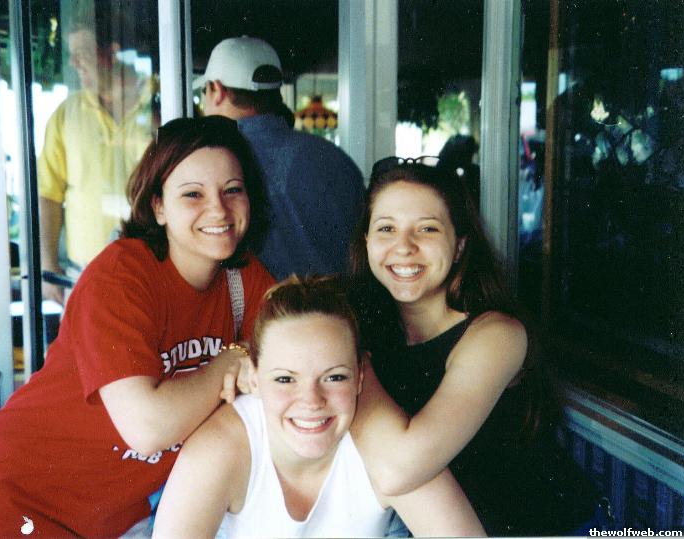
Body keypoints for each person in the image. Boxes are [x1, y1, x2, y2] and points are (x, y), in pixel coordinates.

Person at [0, 116, 274, 538]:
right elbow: (147, 428)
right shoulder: (121, 275)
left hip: (113, 517)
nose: (218, 210)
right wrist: (230, 361)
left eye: (232, 190)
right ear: (158, 206)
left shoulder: (244, 280)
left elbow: (297, 355)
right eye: (193, 194)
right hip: (11, 505)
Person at [347, 157, 604, 536]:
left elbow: (397, 470)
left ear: (459, 246)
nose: (404, 247)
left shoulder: (496, 334)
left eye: (427, 229)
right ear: (367, 242)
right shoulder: (371, 325)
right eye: (386, 228)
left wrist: (352, 362)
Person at [152, 276, 484, 539]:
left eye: (334, 377)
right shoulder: (219, 450)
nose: (311, 402)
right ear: (253, 379)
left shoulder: (386, 451)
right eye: (285, 379)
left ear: (360, 378)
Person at [194, 36, 365, 280]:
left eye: (205, 92)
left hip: (263, 304)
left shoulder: (215, 164)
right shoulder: (334, 157)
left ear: (217, 91)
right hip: (342, 302)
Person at [39, 12, 160, 304]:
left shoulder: (163, 104)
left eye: (81, 52)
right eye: (71, 54)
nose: (72, 62)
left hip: (154, 271)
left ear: (111, 53)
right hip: (83, 274)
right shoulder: (66, 115)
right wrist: (48, 264)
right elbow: (48, 195)